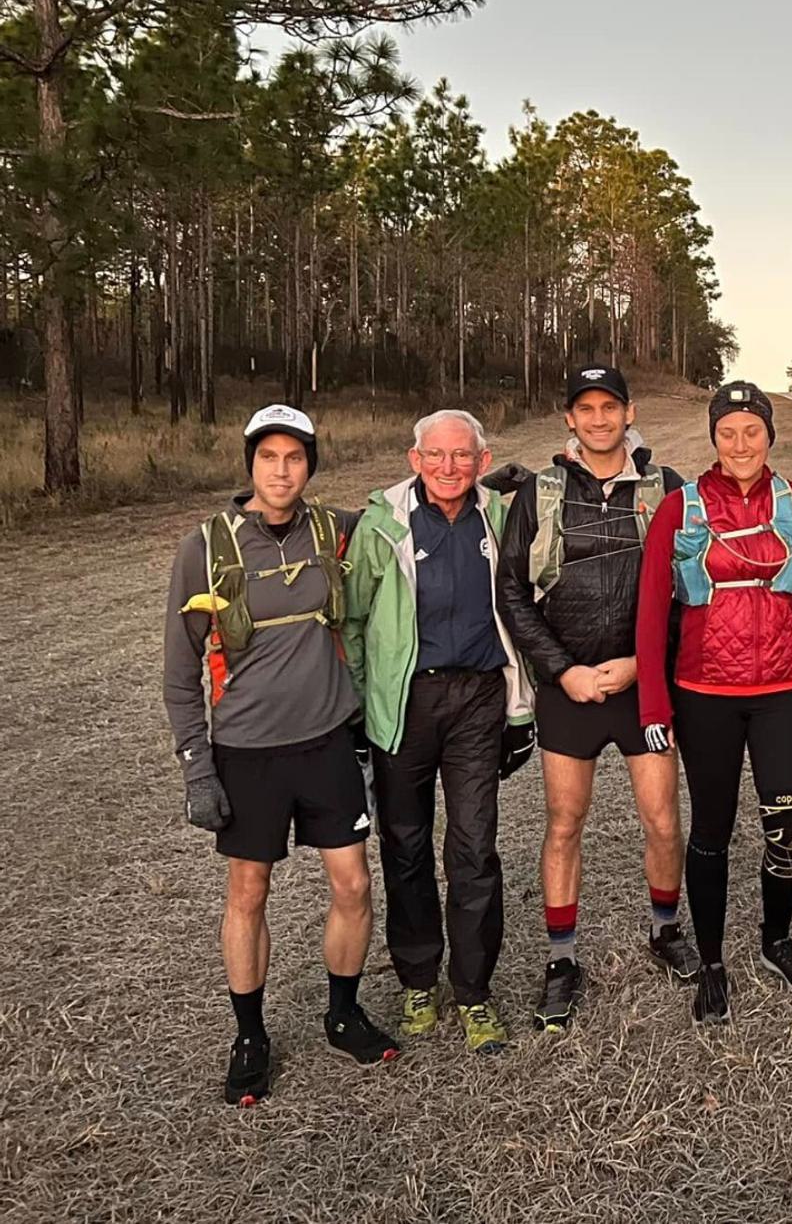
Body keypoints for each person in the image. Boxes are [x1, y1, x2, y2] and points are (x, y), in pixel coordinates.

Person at [163, 404, 399, 1107]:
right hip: (246, 751)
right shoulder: (204, 547)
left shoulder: (332, 529)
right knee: (249, 893)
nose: (281, 469)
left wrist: (501, 495)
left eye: (295, 457)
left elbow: (401, 515)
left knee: (354, 884)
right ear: (250, 464)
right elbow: (180, 673)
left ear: (310, 466)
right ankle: (249, 1035)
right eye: (268, 456)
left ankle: (342, 1010)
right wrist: (196, 766)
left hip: (326, 741)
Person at [634, 381, 792, 1026]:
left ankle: (777, 941)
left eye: (752, 430)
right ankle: (713, 960)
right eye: (728, 432)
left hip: (783, 689)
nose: (741, 443)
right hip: (706, 691)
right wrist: (654, 707)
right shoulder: (680, 507)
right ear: (714, 438)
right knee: (712, 830)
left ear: (769, 435)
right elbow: (651, 610)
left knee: (790, 829)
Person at [497, 364, 699, 1033]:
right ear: (569, 418)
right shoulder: (540, 491)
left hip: (642, 688)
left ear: (628, 410)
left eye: (609, 406)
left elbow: (687, 588)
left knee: (663, 820)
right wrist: (561, 671)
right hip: (571, 689)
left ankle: (665, 928)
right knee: (564, 823)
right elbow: (513, 593)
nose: (598, 418)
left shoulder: (664, 487)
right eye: (585, 407)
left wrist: (645, 665)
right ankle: (561, 960)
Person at [341, 409, 536, 1055]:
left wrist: (518, 710)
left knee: (475, 847)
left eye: (462, 456)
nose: (449, 467)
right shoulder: (383, 525)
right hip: (406, 700)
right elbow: (354, 617)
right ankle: (419, 977)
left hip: (478, 697)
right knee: (405, 842)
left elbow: (526, 600)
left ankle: (474, 989)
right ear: (413, 457)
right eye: (436, 455)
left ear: (483, 461)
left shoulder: (500, 517)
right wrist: (365, 708)